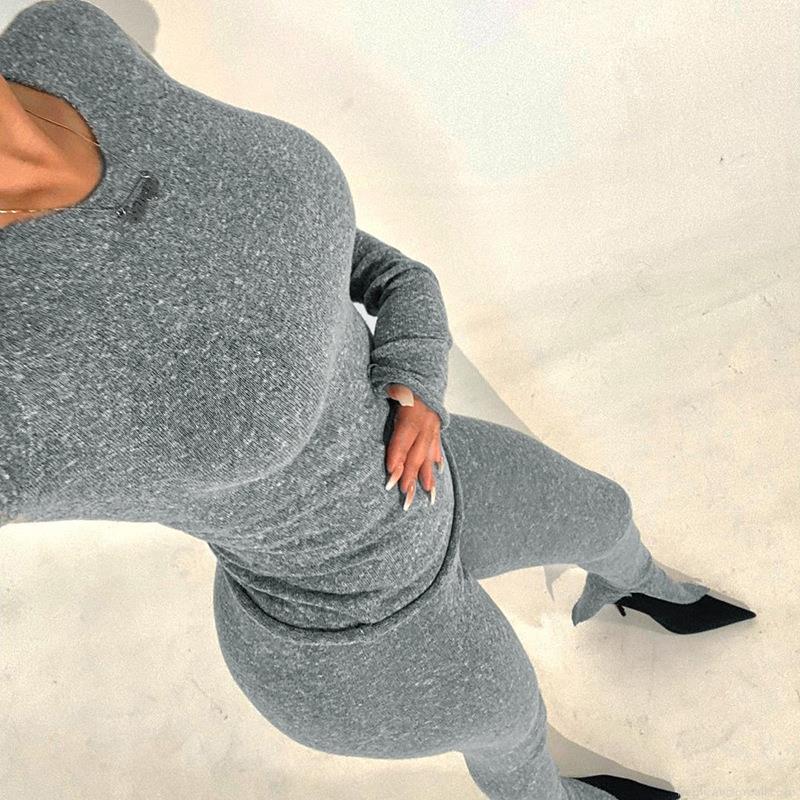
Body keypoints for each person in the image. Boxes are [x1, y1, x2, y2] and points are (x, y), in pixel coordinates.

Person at [0, 2, 756, 798]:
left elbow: (366, 266)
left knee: (604, 513)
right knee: (515, 728)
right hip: (355, 639)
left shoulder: (67, 42)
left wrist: (417, 377)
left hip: (440, 480)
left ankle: (632, 589)